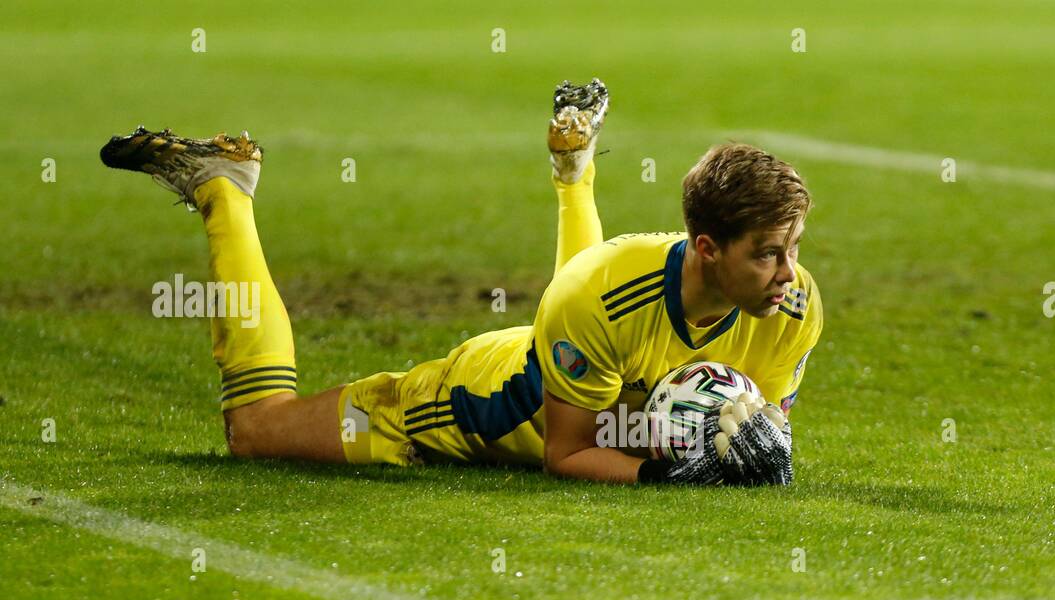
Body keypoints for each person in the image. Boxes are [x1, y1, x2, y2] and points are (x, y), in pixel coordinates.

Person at [99, 80, 820, 485]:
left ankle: (574, 172)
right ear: (707, 248)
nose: (789, 275)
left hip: (586, 346)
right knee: (254, 434)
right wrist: (668, 472)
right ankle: (224, 194)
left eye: (793, 250)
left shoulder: (793, 305)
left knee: (593, 320)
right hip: (481, 404)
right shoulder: (602, 295)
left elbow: (769, 423)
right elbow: (565, 454)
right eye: (767, 255)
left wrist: (751, 446)